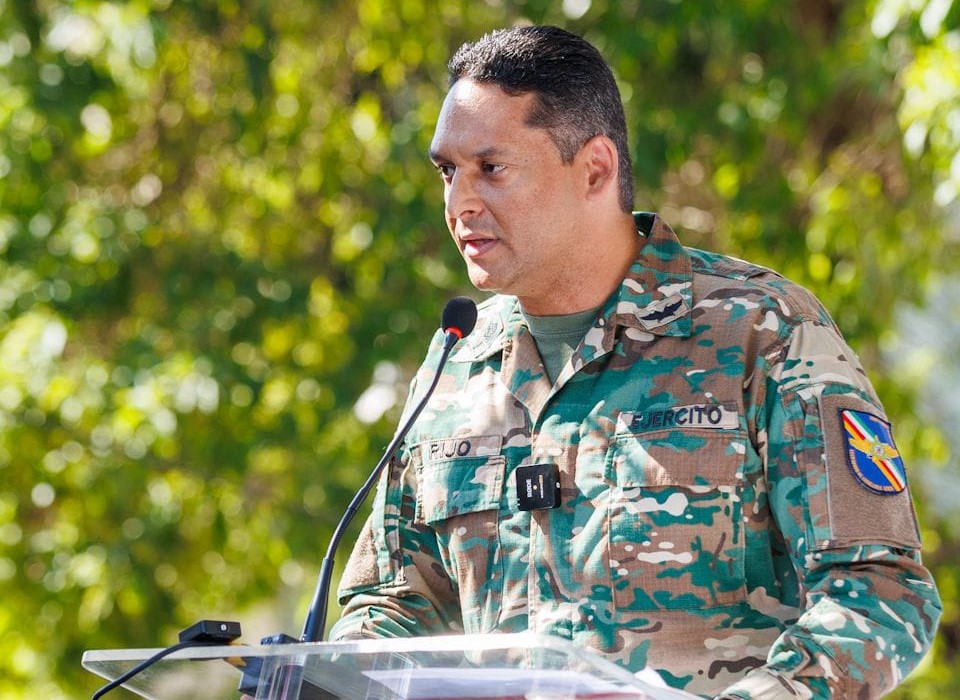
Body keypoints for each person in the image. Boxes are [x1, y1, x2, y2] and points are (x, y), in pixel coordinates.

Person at [328, 25, 942, 699]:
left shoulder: (761, 331)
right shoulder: (456, 360)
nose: (459, 202)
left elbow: (880, 593)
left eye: (491, 168)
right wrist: (334, 672)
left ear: (595, 168)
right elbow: (395, 604)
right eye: (448, 171)